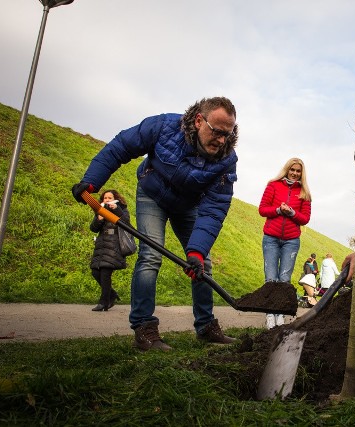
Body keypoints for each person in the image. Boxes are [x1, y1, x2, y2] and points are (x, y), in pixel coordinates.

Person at [72, 96, 240, 351]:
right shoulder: (164, 127)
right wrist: (92, 181)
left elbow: (214, 209)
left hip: (187, 205)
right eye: (217, 132)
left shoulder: (226, 160)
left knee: (202, 263)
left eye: (227, 134)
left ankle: (205, 326)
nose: (221, 140)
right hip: (152, 195)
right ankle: (144, 329)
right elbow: (121, 147)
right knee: (150, 256)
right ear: (198, 121)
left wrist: (195, 251)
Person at [259, 157, 312, 328]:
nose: (295, 173)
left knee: (284, 280)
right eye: (292, 170)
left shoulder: (305, 193)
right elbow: (262, 209)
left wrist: (291, 213)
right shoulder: (273, 185)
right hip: (271, 239)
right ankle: (270, 316)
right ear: (287, 169)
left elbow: (305, 218)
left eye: (298, 171)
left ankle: (280, 315)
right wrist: (277, 210)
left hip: (291, 241)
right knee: (271, 279)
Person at [89, 189, 129, 312]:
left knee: (105, 273)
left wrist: (116, 210)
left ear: (115, 198)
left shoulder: (122, 209)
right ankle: (112, 295)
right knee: (95, 272)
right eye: (105, 198)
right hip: (101, 244)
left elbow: (126, 223)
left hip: (114, 245)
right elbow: (93, 228)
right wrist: (99, 219)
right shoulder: (101, 210)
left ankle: (103, 302)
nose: (107, 200)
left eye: (109, 198)